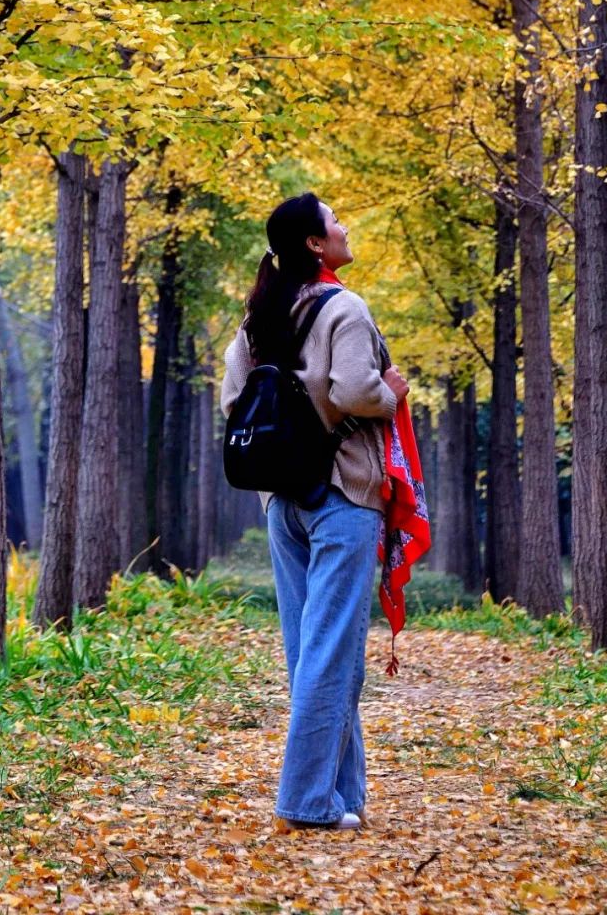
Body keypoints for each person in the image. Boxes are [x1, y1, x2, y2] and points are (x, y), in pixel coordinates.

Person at [221, 192, 409, 832]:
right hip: (344, 497)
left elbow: (233, 399)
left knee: (312, 651)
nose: (345, 226)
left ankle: (344, 794)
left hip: (282, 501)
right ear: (314, 243)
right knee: (331, 653)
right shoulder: (345, 309)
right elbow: (356, 390)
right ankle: (304, 801)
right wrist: (393, 395)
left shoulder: (260, 314)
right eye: (335, 221)